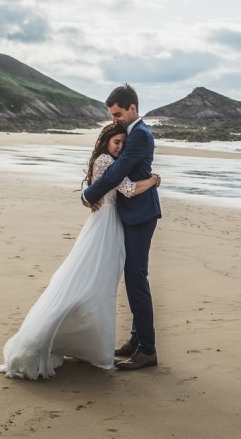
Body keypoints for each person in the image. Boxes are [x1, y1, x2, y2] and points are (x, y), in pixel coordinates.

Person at [0, 123, 160, 380]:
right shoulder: (106, 160)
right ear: (105, 141)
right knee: (91, 281)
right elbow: (127, 188)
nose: (120, 147)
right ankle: (57, 337)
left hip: (111, 224)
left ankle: (99, 340)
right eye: (117, 141)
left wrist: (87, 195)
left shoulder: (106, 158)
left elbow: (106, 189)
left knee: (98, 282)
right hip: (105, 227)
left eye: (123, 143)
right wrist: (154, 179)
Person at [81, 83, 162, 371]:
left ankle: (148, 350)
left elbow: (117, 172)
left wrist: (89, 194)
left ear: (132, 108)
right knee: (133, 277)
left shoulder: (139, 134)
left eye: (117, 114)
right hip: (131, 213)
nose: (114, 119)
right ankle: (136, 339)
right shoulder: (131, 132)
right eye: (112, 115)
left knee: (137, 278)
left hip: (141, 214)